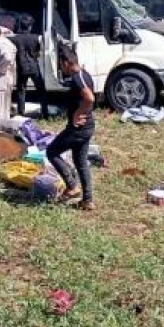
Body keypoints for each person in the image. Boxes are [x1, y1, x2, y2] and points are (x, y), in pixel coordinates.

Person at [46, 45, 97, 211]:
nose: (61, 68)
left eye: (61, 65)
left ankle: (72, 186)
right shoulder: (85, 74)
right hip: (87, 126)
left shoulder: (78, 77)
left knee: (52, 151)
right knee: (81, 162)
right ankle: (88, 200)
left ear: (66, 62)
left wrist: (77, 114)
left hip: (78, 129)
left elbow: (89, 98)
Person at [10, 15, 47, 117]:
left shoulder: (14, 39)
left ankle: (21, 113)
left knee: (21, 91)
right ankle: (45, 112)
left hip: (21, 67)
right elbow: (38, 52)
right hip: (34, 66)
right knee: (41, 89)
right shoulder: (36, 38)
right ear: (30, 27)